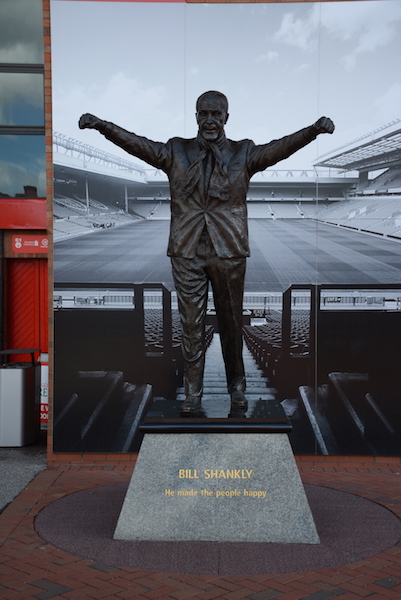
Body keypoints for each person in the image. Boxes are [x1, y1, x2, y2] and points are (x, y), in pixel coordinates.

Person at [79, 91, 334, 415]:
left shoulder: (244, 152)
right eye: (204, 113)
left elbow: (280, 148)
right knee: (191, 327)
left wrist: (313, 131)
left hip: (228, 250)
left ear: (226, 117)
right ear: (196, 116)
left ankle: (237, 388)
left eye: (216, 114)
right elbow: (138, 144)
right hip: (187, 250)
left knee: (232, 325)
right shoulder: (176, 150)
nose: (210, 120)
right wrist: (103, 126)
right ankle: (192, 394)